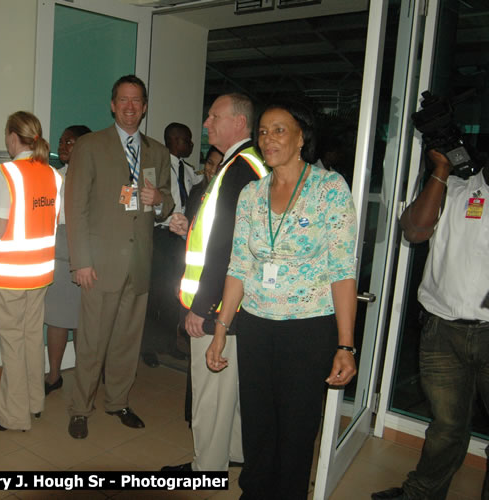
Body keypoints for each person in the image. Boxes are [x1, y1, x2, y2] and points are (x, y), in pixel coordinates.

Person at [206, 100, 358, 499]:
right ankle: (254, 491)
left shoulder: (329, 188)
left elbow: (342, 272)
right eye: (262, 132)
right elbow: (238, 264)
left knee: (296, 429)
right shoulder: (253, 193)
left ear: (301, 136)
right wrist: (221, 328)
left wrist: (345, 344)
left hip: (308, 330)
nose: (268, 139)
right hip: (256, 324)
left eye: (279, 130)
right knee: (257, 422)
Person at [372, 150, 489, 500]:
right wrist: (440, 170)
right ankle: (420, 495)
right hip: (443, 330)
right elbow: (414, 230)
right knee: (445, 428)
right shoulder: (454, 187)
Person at [162, 93, 268, 473]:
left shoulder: (239, 169)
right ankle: (235, 453)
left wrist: (204, 309)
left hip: (219, 305)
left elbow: (228, 247)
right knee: (229, 391)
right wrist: (189, 228)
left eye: (213, 116)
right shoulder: (246, 164)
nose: (206, 124)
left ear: (239, 122)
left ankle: (206, 469)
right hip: (234, 302)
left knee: (210, 391)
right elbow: (227, 234)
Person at [65, 74, 174, 439]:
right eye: (123, 100)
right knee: (92, 341)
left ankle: (118, 401)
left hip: (139, 262)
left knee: (128, 340)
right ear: (113, 105)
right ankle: (80, 407)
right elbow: (76, 204)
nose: (130, 106)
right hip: (99, 264)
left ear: (144, 107)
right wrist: (80, 260)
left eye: (137, 100)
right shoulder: (90, 145)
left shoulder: (158, 151)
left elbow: (167, 201)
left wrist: (159, 201)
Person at [0, 111, 62, 432]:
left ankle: (13, 417)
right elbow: (53, 220)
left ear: (13, 137)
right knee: (29, 339)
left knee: (12, 343)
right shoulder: (53, 175)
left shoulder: (5, 173)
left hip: (9, 275)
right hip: (39, 274)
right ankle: (35, 403)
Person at [141, 122, 200, 368]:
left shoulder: (189, 170)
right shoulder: (157, 167)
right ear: (173, 140)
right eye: (186, 140)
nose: (191, 145)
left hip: (182, 238)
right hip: (161, 234)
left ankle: (168, 344)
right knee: (154, 293)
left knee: (174, 294)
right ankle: (147, 347)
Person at [44, 124, 91, 395]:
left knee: (86, 322)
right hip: (59, 253)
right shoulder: (54, 177)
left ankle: (86, 378)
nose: (62, 146)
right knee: (57, 318)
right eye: (62, 141)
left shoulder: (97, 179)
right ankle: (53, 376)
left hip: (87, 254)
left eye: (70, 142)